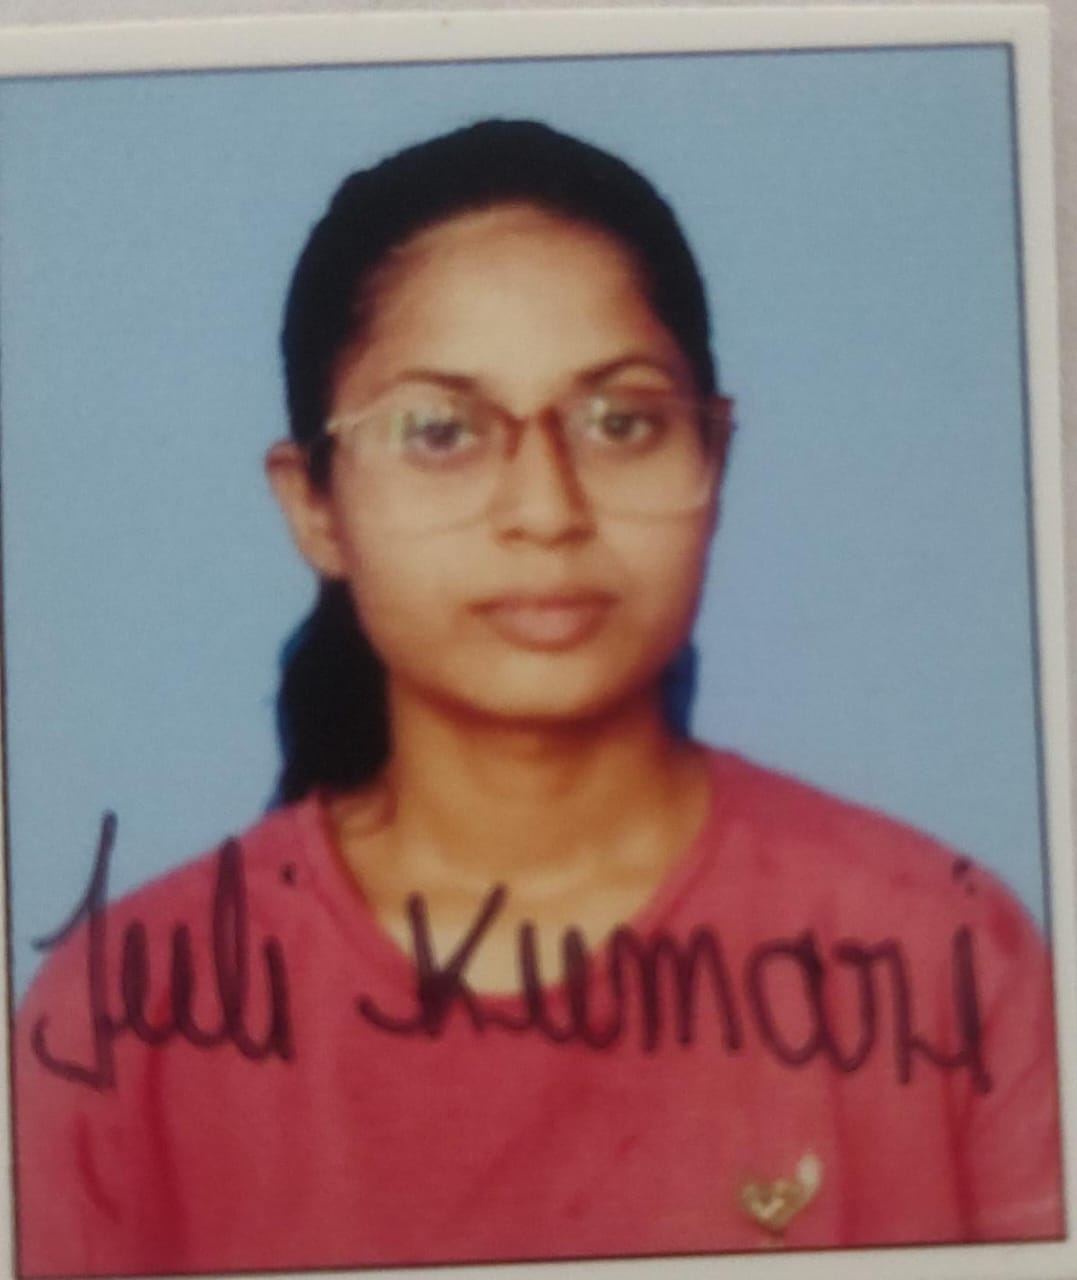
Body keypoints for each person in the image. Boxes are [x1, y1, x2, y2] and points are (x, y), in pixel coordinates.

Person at [13, 119, 1063, 1277]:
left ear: (714, 458)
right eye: (441, 432)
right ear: (314, 502)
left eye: (621, 422)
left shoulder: (939, 954)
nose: (548, 509)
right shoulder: (125, 1020)